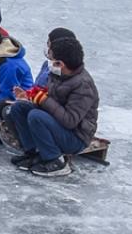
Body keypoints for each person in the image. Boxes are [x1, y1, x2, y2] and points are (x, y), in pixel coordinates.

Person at [8, 36, 100, 177]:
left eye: (51, 59)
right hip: (57, 125)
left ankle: (56, 160)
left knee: (36, 116)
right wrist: (31, 96)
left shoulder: (83, 85)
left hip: (76, 137)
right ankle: (34, 152)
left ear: (60, 63)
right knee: (19, 108)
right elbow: (53, 98)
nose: (49, 62)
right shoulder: (58, 73)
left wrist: (44, 100)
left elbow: (70, 121)